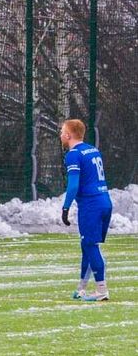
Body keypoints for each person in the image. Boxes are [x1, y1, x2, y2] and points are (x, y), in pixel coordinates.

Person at [60, 119, 113, 301]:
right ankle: (81, 288)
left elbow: (73, 185)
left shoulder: (73, 154)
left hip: (91, 205)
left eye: (62, 131)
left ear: (68, 135)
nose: (60, 135)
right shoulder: (92, 149)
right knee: (88, 245)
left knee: (90, 245)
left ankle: (101, 290)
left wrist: (65, 207)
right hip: (105, 200)